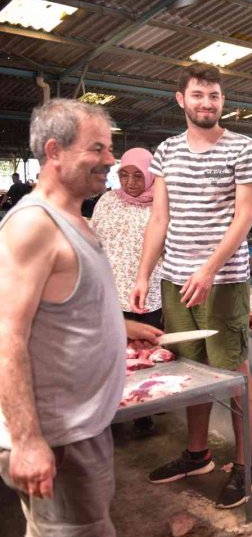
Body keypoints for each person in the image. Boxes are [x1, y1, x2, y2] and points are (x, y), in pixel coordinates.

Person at [131, 63, 252, 510]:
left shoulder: (243, 148)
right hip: (174, 279)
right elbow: (159, 218)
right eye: (199, 95)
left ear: (222, 101)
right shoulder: (166, 151)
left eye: (215, 96)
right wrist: (144, 274)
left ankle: (246, 467)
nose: (208, 103)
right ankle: (197, 454)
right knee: (191, 371)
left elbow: (243, 218)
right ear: (180, 99)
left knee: (232, 371)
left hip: (222, 281)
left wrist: (208, 269)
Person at [0, 99, 125, 537]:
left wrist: (123, 329)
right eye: (97, 149)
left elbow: (63, 306)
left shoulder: (74, 216)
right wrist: (28, 441)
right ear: (54, 152)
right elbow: (6, 337)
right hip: (56, 433)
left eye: (109, 148)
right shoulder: (33, 226)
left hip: (81, 426)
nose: (110, 159)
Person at [91, 146, 166, 438]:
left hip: (146, 295)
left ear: (150, 176)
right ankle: (112, 411)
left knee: (143, 356)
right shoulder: (107, 201)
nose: (131, 182)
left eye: (138, 175)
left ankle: (143, 412)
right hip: (108, 292)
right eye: (125, 174)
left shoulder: (160, 204)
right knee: (110, 355)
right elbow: (94, 238)